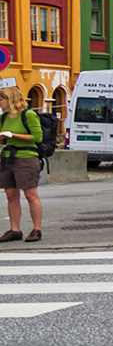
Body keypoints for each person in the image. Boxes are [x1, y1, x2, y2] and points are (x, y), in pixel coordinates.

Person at [0, 87, 44, 242]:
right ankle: (14, 230)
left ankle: (36, 229)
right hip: (8, 158)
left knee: (30, 194)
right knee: (11, 195)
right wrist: (4, 137)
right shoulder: (4, 118)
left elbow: (37, 137)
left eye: (2, 99)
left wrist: (13, 135)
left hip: (26, 158)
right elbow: (5, 139)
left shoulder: (28, 115)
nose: (0, 102)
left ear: (11, 99)